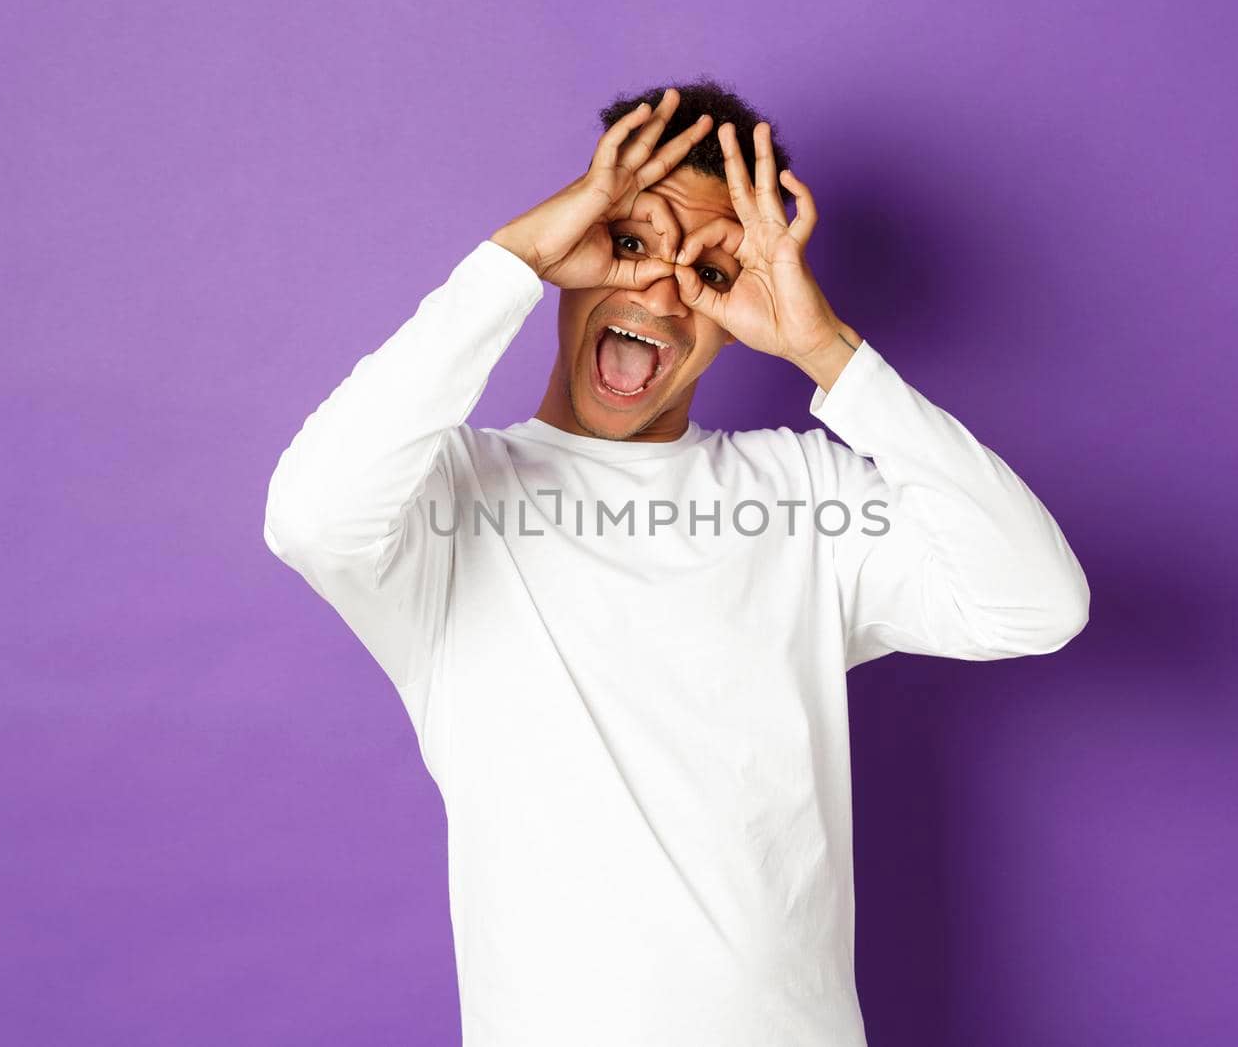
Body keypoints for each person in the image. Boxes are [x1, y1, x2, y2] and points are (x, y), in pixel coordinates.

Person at [263, 79, 1090, 1047]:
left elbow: (1034, 603)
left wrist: (829, 354)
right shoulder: (446, 504)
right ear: (575, 251)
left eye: (713, 266)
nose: (659, 289)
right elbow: (308, 516)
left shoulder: (803, 495)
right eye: (628, 242)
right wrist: (512, 262)